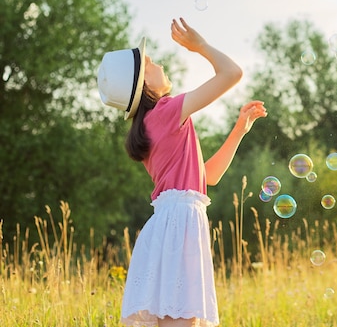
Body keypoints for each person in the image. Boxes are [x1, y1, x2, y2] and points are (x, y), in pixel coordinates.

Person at [97, 17, 267, 327]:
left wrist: (239, 130)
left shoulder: (151, 125)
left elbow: (207, 177)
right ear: (144, 85)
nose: (158, 63)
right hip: (180, 225)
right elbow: (232, 73)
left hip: (171, 223)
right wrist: (200, 46)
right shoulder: (166, 111)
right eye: (150, 63)